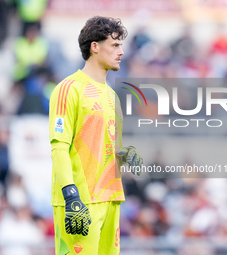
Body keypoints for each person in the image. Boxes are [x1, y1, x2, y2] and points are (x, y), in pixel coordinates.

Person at [49, 16, 143, 255]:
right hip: (80, 201)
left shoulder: (112, 96)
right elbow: (59, 147)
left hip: (111, 198)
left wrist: (125, 155)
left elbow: (107, 148)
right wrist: (70, 195)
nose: (121, 52)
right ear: (95, 46)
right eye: (115, 45)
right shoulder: (68, 89)